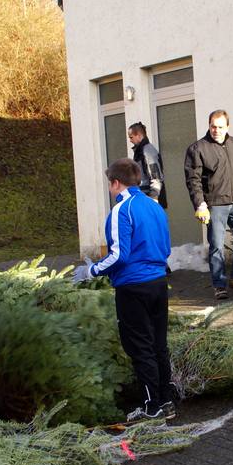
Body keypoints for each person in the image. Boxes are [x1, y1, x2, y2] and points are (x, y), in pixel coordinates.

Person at [74, 158, 175, 422]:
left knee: (140, 346)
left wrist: (91, 271)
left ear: (116, 183)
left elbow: (119, 255)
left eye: (110, 185)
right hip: (158, 283)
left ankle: (151, 407)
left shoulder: (122, 210)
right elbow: (166, 247)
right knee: (158, 344)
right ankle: (166, 400)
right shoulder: (154, 207)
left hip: (133, 287)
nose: (110, 190)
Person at [183, 109, 233, 300]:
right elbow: (194, 180)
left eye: (220, 127)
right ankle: (219, 285)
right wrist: (200, 204)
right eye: (213, 126)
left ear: (228, 127)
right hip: (215, 205)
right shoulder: (198, 149)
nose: (216, 130)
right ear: (209, 126)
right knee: (216, 245)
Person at [128, 122, 167, 207]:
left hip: (149, 199)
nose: (130, 140)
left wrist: (154, 198)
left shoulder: (148, 151)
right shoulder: (141, 151)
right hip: (145, 197)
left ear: (138, 135)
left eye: (131, 137)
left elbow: (156, 176)